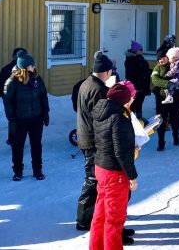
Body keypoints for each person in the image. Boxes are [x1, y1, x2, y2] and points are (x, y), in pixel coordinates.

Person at [90, 82, 139, 249]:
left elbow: (109, 142)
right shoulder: (119, 119)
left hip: (101, 168)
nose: (131, 101)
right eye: (130, 99)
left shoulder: (101, 112)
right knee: (114, 220)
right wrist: (132, 176)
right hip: (114, 173)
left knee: (100, 214)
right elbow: (121, 153)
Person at [75, 51, 114, 231]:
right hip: (92, 140)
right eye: (110, 72)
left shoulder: (86, 83)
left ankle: (93, 215)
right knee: (92, 180)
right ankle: (84, 219)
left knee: (94, 179)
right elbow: (101, 118)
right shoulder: (98, 89)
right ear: (105, 72)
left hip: (86, 136)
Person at [3, 53, 49, 181]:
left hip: (36, 118)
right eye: (31, 65)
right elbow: (7, 102)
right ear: (24, 67)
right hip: (20, 120)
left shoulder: (37, 79)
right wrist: (11, 119)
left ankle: (37, 170)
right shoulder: (12, 81)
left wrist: (45, 113)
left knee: (36, 145)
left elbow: (43, 97)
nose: (33, 66)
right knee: (18, 146)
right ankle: (17, 171)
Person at [150, 49, 179, 150]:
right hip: (161, 98)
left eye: (163, 58)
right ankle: (161, 142)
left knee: (175, 119)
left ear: (167, 57)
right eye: (159, 59)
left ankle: (176, 136)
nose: (161, 60)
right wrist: (167, 84)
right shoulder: (157, 68)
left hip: (176, 98)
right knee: (161, 121)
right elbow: (155, 79)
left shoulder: (175, 65)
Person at [0, 47, 27, 145]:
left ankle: (13, 139)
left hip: (10, 100)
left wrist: (5, 97)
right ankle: (17, 140)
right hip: (20, 100)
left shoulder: (6, 69)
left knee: (13, 120)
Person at [124, 40, 151, 118]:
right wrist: (137, 86)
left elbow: (145, 70)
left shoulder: (140, 58)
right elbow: (131, 75)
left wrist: (150, 72)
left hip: (142, 86)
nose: (142, 51)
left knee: (139, 104)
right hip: (136, 87)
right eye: (141, 49)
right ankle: (132, 121)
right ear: (136, 51)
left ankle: (139, 120)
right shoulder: (130, 60)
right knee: (133, 105)